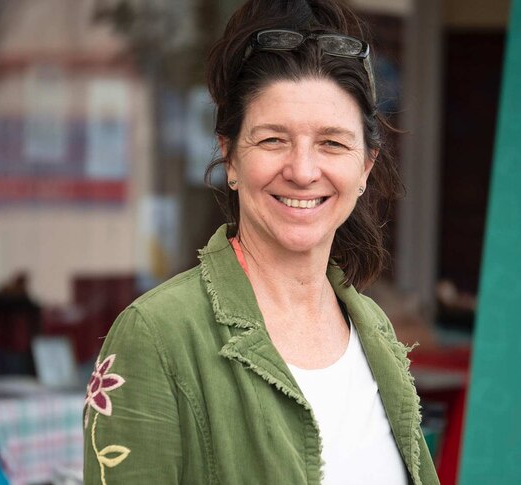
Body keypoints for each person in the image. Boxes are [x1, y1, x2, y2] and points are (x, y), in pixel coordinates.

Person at [83, 0, 440, 483]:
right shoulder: (156, 336)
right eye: (273, 140)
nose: (302, 170)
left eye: (332, 143)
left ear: (365, 167)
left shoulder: (372, 328)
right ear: (230, 158)